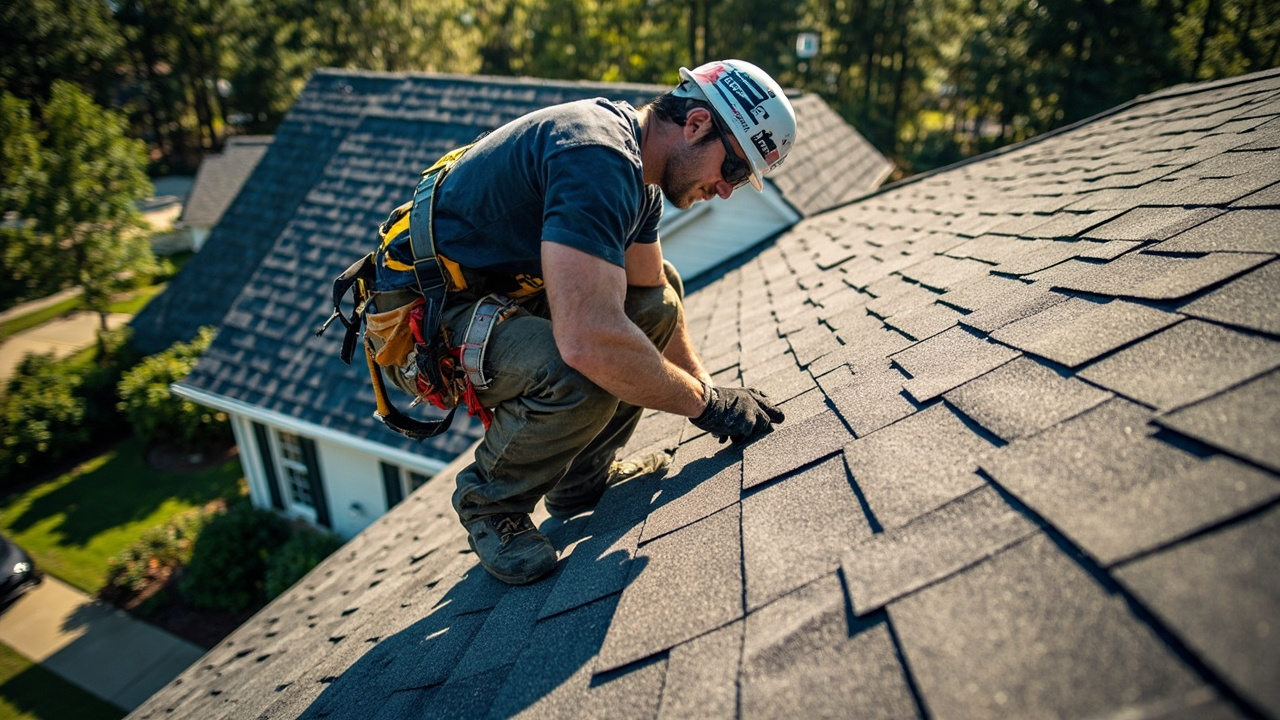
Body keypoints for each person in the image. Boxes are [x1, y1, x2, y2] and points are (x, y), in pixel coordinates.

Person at [428, 59, 795, 584]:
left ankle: (580, 481)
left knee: (656, 300)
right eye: (734, 169)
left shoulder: (640, 183)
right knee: (576, 366)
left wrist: (710, 392)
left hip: (505, 298)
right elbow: (587, 341)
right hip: (437, 314)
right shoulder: (596, 157)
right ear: (696, 124)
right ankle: (490, 504)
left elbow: (652, 292)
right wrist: (705, 406)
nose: (726, 191)